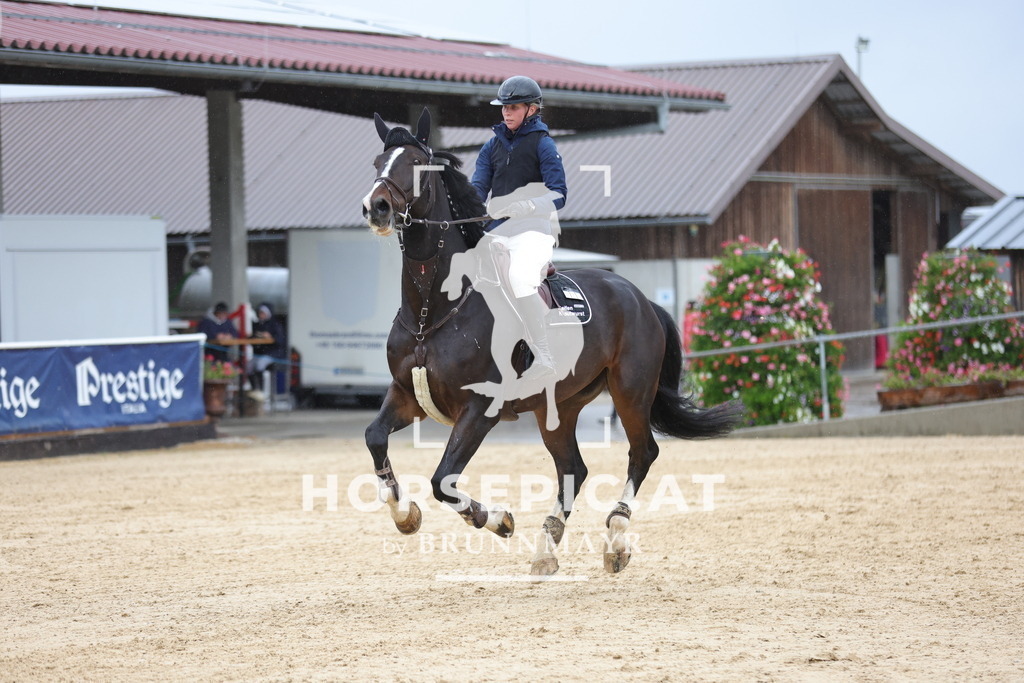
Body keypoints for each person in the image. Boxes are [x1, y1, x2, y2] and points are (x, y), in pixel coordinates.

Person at [471, 75, 568, 379]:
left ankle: (545, 354)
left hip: (533, 232)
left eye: (513, 107)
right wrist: (469, 209)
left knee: (519, 278)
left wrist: (528, 205)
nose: (506, 113)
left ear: (532, 109)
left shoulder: (544, 144)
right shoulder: (491, 146)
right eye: (504, 108)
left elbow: (559, 193)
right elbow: (478, 187)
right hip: (498, 230)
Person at [248, 302, 286, 393]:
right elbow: (252, 339)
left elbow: (280, 340)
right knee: (248, 366)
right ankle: (254, 389)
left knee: (260, 364)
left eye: (263, 313)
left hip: (273, 354)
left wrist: (270, 336)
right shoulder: (257, 325)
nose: (261, 315)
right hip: (260, 353)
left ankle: (261, 391)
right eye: (260, 313)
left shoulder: (275, 324)